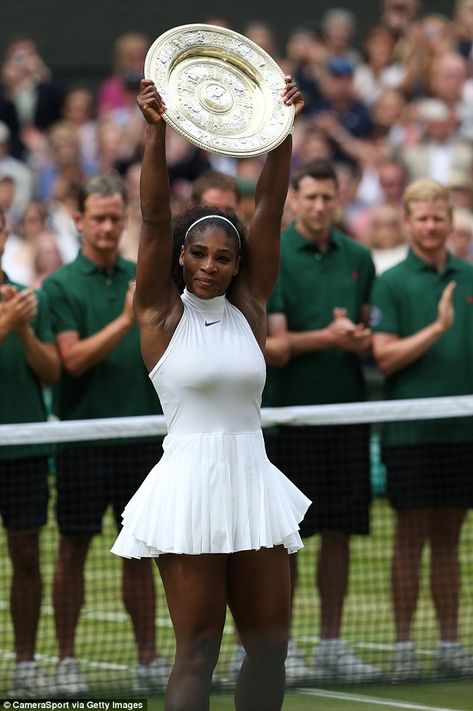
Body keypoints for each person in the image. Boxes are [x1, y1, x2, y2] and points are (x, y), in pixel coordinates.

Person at [111, 77, 310, 711]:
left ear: (237, 264)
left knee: (271, 643)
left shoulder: (249, 305)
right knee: (198, 649)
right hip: (190, 482)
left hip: (253, 476)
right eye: (198, 253)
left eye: (224, 257)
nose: (209, 265)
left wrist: (281, 132)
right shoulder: (156, 315)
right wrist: (153, 131)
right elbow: (152, 216)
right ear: (180, 256)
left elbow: (271, 209)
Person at [42, 173, 170, 695]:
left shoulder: (142, 277)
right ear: (79, 221)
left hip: (141, 441)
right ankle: (67, 660)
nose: (108, 226)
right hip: (82, 441)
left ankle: (147, 658)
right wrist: (126, 321)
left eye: (116, 218)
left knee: (140, 555)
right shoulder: (59, 286)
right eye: (98, 217)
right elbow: (71, 361)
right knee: (71, 551)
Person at [266, 158, 383, 681]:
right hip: (289, 420)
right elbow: (276, 347)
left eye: (326, 197)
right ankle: (275, 648)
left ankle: (332, 644)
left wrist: (357, 340)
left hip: (347, 415)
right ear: (296, 200)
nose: (318, 206)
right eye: (309, 197)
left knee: (339, 532)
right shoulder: (275, 254)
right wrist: (328, 339)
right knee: (283, 540)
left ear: (339, 199)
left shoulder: (359, 256)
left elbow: (365, 329)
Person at [370, 178, 473, 680]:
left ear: (450, 222)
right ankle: (405, 647)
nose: (432, 227)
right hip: (409, 436)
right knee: (410, 539)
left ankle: (452, 644)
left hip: (461, 435)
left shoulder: (470, 277)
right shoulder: (390, 283)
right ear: (409, 223)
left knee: (450, 541)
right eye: (423, 219)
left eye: (439, 218)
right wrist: (436, 327)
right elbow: (384, 357)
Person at [0, 206, 60, 695]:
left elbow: (52, 372)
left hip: (23, 450)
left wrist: (20, 328)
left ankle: (24, 663)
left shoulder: (22, 298)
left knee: (27, 556)